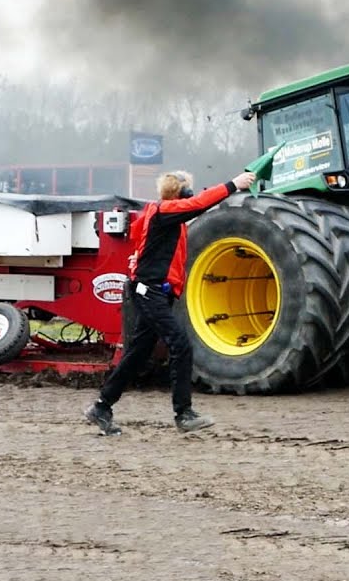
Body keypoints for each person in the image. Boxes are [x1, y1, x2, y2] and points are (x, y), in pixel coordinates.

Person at [85, 168, 257, 436]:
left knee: (138, 354)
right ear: (180, 193)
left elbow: (143, 241)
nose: (192, 193)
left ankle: (101, 407)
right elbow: (199, 204)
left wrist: (138, 260)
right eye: (189, 189)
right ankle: (183, 414)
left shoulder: (166, 218)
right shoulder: (165, 213)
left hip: (153, 291)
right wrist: (233, 184)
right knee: (180, 345)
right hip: (149, 291)